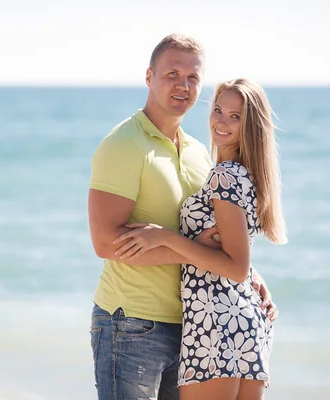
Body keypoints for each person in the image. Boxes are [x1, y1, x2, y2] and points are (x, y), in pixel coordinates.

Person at [88, 33, 278, 400]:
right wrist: (190, 248)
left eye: (193, 77)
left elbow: (213, 234)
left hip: (193, 326)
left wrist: (249, 273)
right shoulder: (123, 144)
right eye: (172, 73)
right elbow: (105, 243)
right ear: (149, 77)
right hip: (131, 323)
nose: (183, 85)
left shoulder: (199, 153)